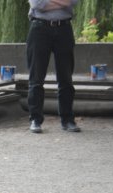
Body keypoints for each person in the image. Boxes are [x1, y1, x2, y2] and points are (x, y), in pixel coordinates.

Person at [26, 0, 80, 134]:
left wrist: (48, 2)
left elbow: (73, 2)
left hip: (64, 28)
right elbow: (37, 4)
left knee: (66, 78)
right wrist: (63, 3)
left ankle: (68, 119)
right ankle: (35, 119)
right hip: (39, 28)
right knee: (36, 78)